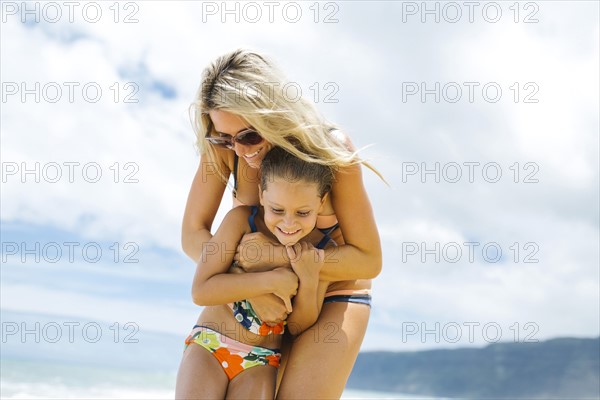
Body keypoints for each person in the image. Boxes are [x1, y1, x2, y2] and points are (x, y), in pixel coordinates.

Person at [180, 48, 382, 399]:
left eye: (247, 136)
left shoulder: (330, 149)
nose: (239, 150)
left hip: (332, 293)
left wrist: (274, 263)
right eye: (224, 138)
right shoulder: (226, 145)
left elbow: (368, 258)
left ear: (271, 112)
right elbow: (192, 233)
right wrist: (246, 280)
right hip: (251, 288)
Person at [176, 147, 336, 399]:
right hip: (210, 343)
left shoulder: (319, 250)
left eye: (303, 213)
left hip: (260, 361)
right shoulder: (240, 221)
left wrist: (310, 276)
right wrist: (270, 281)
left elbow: (297, 326)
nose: (289, 223)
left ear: (322, 201)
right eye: (277, 210)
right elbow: (202, 290)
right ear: (261, 195)